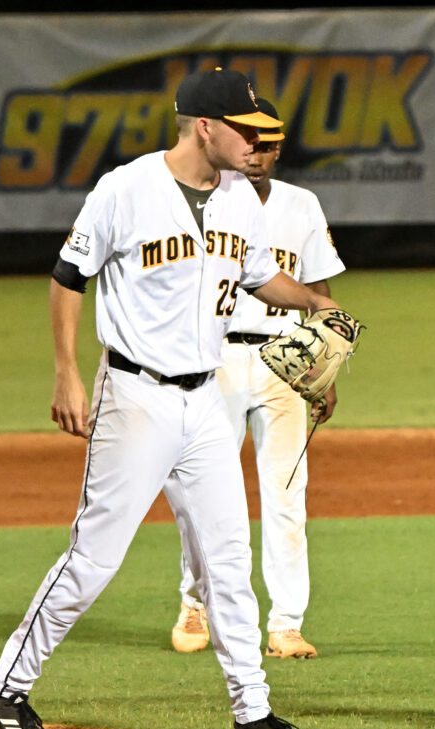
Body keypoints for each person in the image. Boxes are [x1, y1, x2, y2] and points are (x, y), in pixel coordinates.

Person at [0, 68, 341, 729]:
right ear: (205, 127)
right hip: (134, 396)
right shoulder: (126, 189)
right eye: (243, 128)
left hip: (204, 402)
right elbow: (67, 276)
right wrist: (66, 373)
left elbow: (257, 276)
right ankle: (0, 689)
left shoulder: (239, 201)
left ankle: (253, 712)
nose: (255, 142)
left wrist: (311, 298)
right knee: (93, 558)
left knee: (227, 561)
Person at [171, 98, 345, 660]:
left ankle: (286, 624)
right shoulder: (201, 200)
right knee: (203, 492)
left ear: (279, 148)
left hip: (286, 362)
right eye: (251, 139)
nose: (259, 152)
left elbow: (319, 292)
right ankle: (194, 603)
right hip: (214, 359)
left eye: (270, 144)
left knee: (288, 495)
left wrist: (326, 371)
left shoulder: (302, 205)